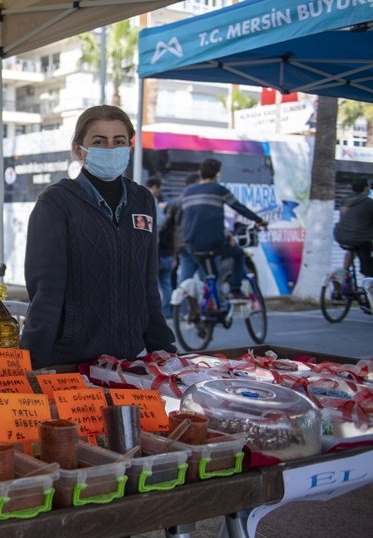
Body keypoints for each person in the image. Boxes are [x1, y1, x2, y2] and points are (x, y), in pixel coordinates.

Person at [22, 105, 176, 371]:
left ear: (129, 147)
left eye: (118, 141)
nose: (110, 148)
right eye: (98, 141)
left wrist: (165, 350)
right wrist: (31, 364)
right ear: (78, 149)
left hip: (129, 363)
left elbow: (148, 284)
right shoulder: (57, 203)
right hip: (71, 363)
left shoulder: (142, 200)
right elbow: (45, 294)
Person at [180, 158, 267, 300]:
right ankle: (235, 290)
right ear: (217, 174)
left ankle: (205, 309)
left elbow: (198, 218)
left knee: (210, 275)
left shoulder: (187, 193)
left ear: (200, 172)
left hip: (191, 243)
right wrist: (259, 220)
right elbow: (239, 208)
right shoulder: (219, 190)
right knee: (239, 254)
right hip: (214, 242)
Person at [333, 178, 373, 277]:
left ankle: (343, 274)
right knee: (366, 256)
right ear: (365, 188)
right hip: (360, 238)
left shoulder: (345, 201)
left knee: (352, 249)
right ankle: (369, 279)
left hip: (342, 237)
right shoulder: (369, 203)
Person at [146, 177, 173, 317]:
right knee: (163, 281)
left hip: (142, 247)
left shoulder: (135, 197)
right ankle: (165, 312)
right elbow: (161, 222)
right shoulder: (151, 200)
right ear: (155, 187)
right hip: (154, 246)